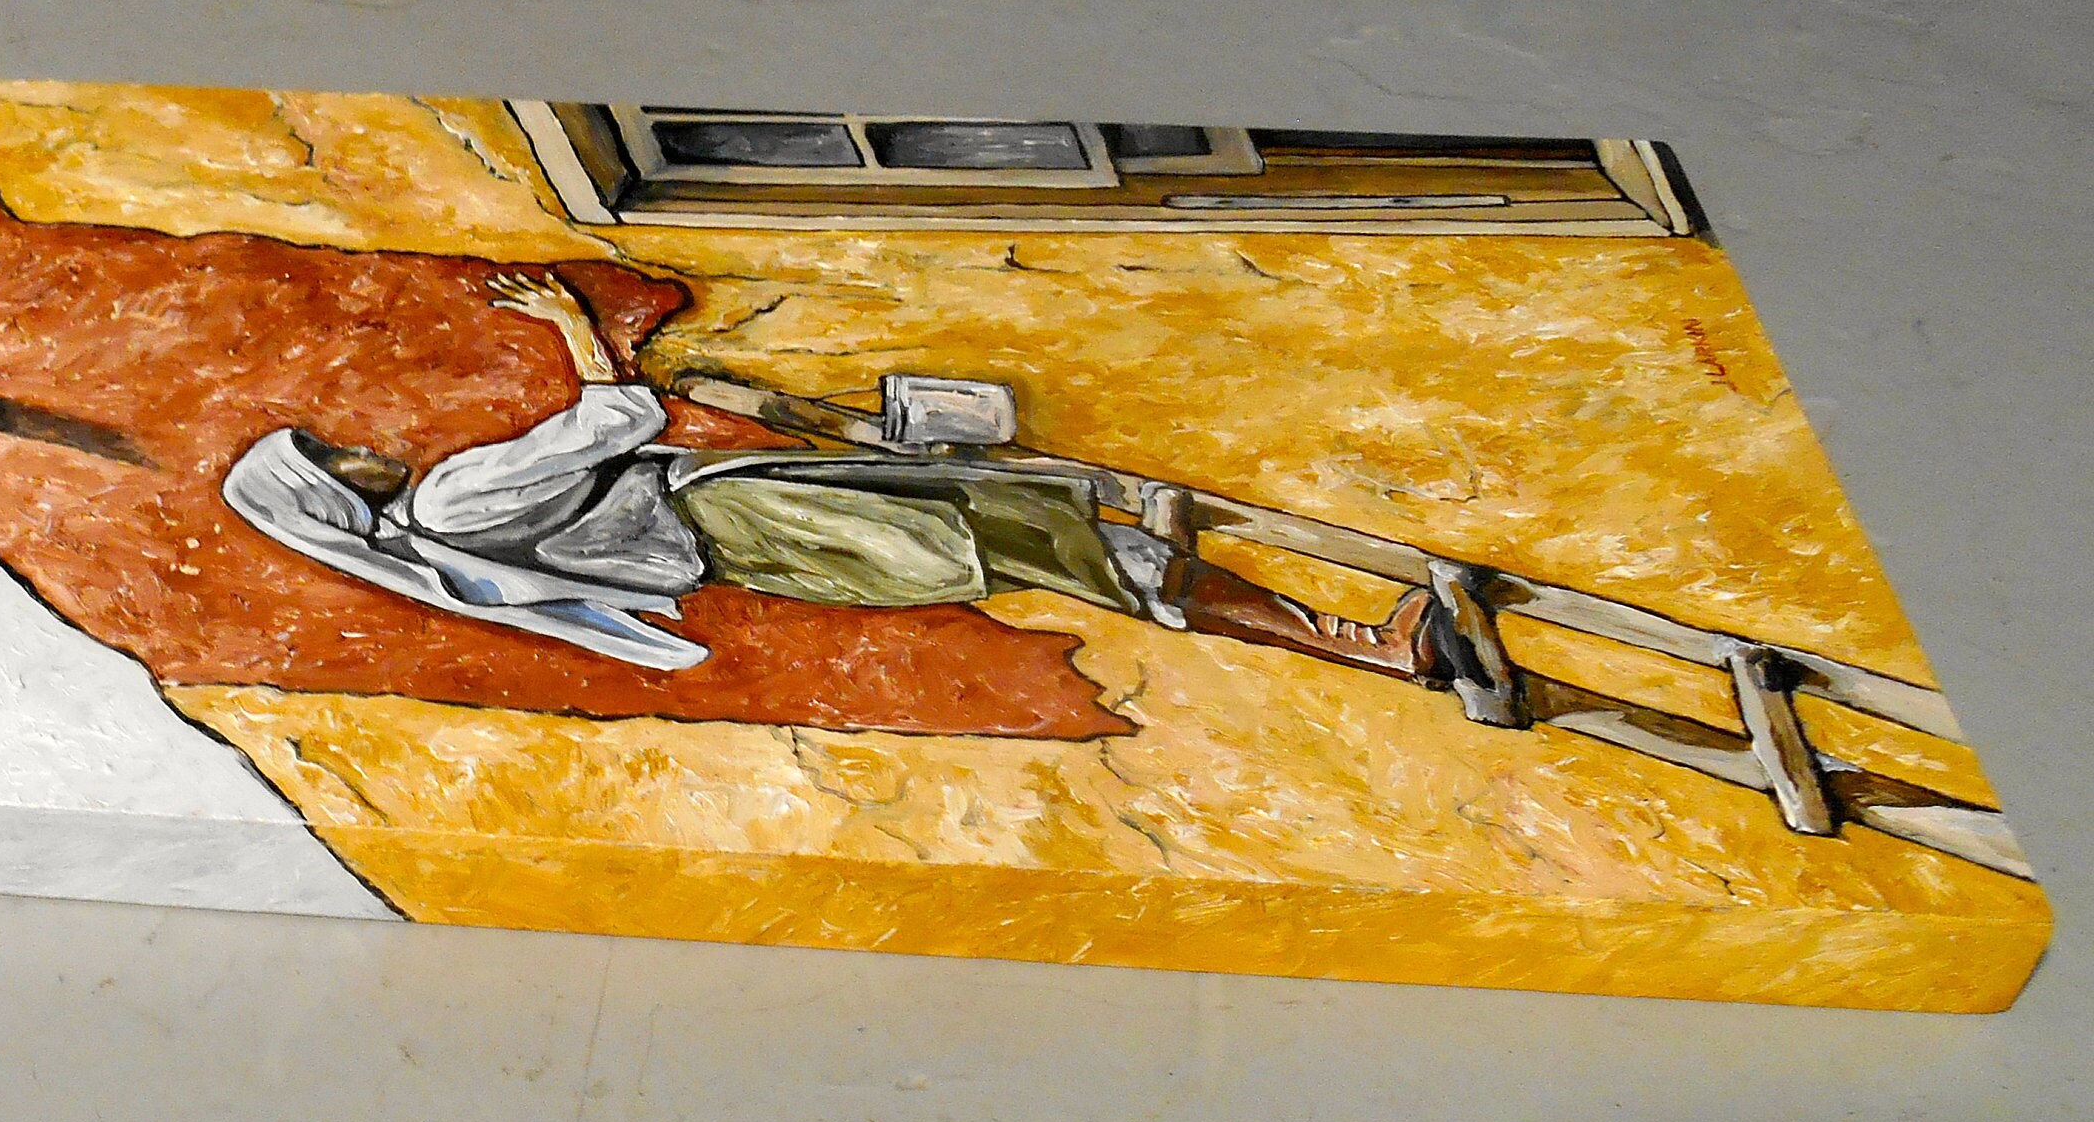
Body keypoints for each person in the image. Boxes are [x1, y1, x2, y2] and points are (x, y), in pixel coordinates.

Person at [225, 272, 1445, 681]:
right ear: (340, 491)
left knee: (1046, 534)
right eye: (332, 456)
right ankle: (1359, 641)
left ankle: (1352, 635)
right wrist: (569, 321)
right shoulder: (446, 503)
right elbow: (615, 417)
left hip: (751, 533)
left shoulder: (443, 525)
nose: (354, 443)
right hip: (751, 519)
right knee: (1056, 548)